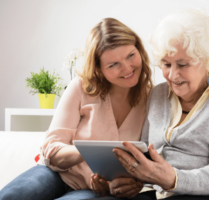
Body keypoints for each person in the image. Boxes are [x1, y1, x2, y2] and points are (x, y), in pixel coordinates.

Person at [93, 9, 209, 200]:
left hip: (204, 194)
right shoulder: (157, 94)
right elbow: (145, 152)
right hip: (153, 192)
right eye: (166, 64)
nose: (173, 75)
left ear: (208, 61)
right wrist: (130, 180)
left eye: (183, 64)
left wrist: (174, 179)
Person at [0, 18, 153, 200]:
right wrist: (89, 151)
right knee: (11, 196)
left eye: (130, 56)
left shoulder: (151, 99)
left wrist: (114, 183)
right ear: (98, 68)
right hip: (56, 174)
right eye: (113, 65)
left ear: (139, 50)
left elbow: (146, 161)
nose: (127, 68)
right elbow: (52, 150)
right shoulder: (81, 87)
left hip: (94, 190)